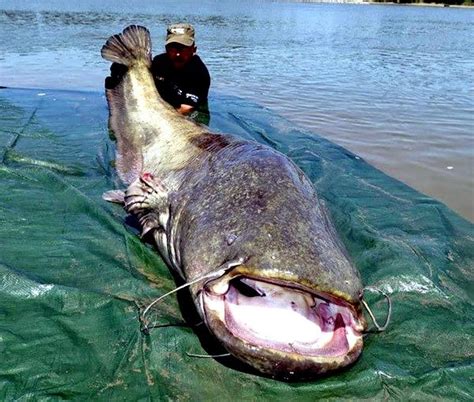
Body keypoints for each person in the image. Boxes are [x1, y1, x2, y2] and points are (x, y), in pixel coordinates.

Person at [106, 23, 211, 124]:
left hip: (192, 113)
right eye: (173, 48)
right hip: (160, 104)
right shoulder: (159, 62)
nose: (178, 54)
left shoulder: (200, 73)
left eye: (183, 48)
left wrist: (155, 118)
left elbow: (186, 108)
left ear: (194, 49)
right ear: (166, 49)